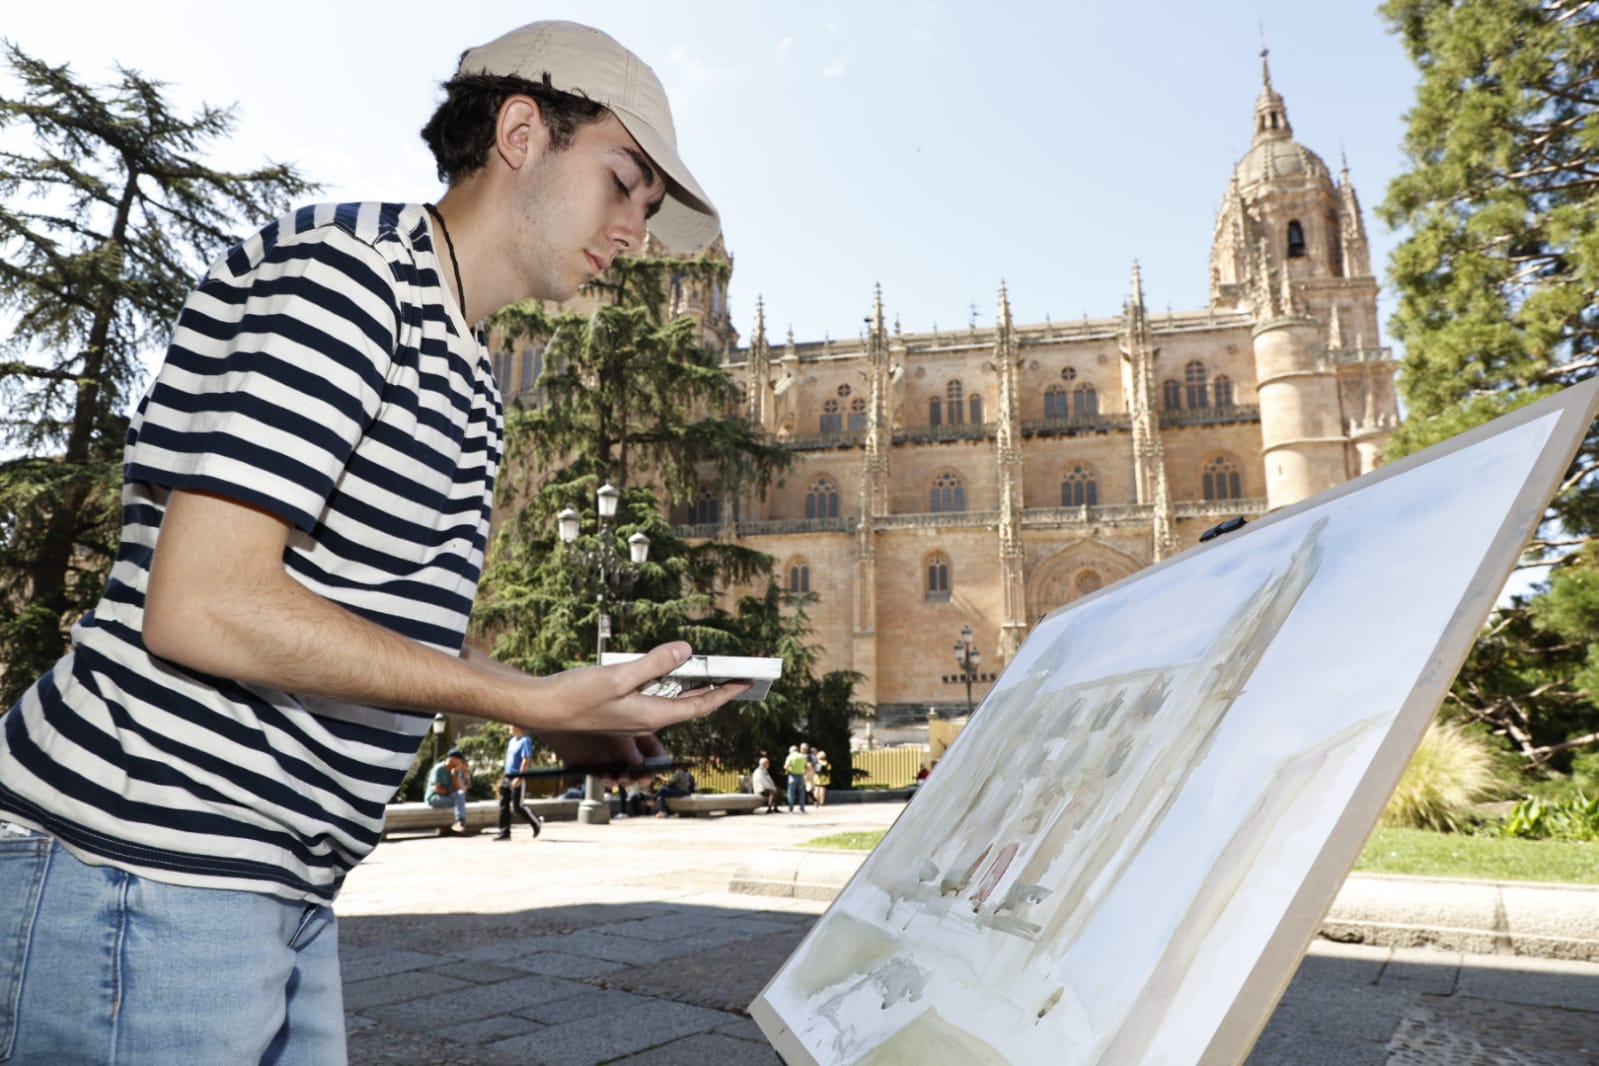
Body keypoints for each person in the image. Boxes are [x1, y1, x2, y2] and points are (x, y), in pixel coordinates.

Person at [0, 20, 744, 1064]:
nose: (631, 231)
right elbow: (203, 604)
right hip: (142, 861)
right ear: (523, 132)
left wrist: (567, 711)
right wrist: (519, 702)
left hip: (271, 883)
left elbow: (355, 625)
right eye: (623, 182)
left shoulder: (473, 378)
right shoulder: (348, 279)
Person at [496, 726, 541, 840]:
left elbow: (525, 760)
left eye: (510, 726)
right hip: (507, 776)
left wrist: (520, 778)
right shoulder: (511, 741)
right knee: (503, 805)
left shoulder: (525, 740)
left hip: (517, 777)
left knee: (518, 806)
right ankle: (504, 833)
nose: (508, 728)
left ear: (517, 727)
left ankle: (537, 822)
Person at [427, 748, 473, 832]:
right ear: (453, 759)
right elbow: (438, 790)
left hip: (448, 796)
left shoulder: (456, 770)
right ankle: (460, 822)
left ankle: (460, 822)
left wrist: (453, 775)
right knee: (460, 799)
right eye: (459, 760)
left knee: (460, 795)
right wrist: (452, 792)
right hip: (435, 798)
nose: (460, 763)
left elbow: (458, 790)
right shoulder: (439, 769)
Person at [784, 745, 811, 813]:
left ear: (791, 751)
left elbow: (785, 766)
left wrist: (790, 770)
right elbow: (807, 767)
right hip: (801, 776)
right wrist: (805, 772)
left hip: (792, 776)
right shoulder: (802, 756)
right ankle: (801, 808)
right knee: (801, 793)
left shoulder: (790, 757)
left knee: (791, 793)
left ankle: (791, 809)